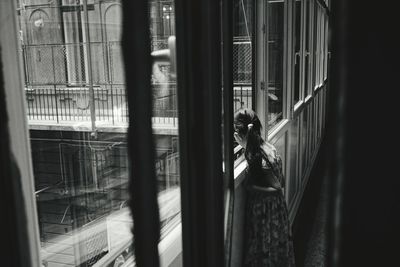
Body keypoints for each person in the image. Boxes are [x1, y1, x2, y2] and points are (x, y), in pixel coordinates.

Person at [234, 108, 295, 267]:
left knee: (265, 249)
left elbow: (277, 188)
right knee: (274, 249)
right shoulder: (266, 146)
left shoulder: (260, 158)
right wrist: (245, 146)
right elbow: (281, 179)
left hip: (266, 211)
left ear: (242, 133)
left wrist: (251, 187)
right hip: (275, 209)